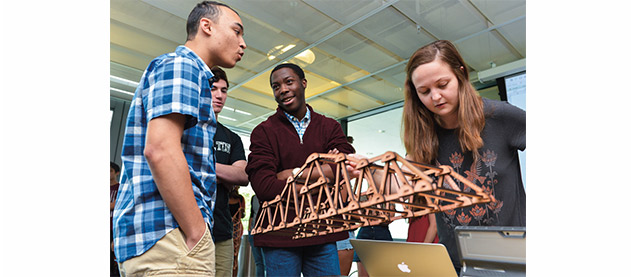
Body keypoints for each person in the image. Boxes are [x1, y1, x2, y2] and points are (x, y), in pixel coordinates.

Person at [112, 1, 246, 275]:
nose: (243, 43)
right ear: (206, 26)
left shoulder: (188, 72)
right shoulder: (183, 65)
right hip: (171, 235)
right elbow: (159, 149)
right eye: (237, 31)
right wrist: (197, 232)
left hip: (167, 236)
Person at [401, 40, 525, 273]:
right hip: (455, 263)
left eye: (442, 84)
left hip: (510, 260)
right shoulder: (423, 136)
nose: (435, 97)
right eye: (425, 92)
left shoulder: (501, 116)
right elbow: (398, 183)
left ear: (460, 74)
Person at [245, 62, 355, 277]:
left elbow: (347, 166)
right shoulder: (263, 132)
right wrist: (325, 174)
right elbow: (265, 187)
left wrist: (292, 174)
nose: (283, 89)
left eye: (289, 82)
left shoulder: (330, 126)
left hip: (323, 231)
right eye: (276, 86)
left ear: (303, 83)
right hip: (279, 235)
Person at [209, 66, 249, 277]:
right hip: (185, 227)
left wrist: (203, 166)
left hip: (222, 230)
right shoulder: (186, 127)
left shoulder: (232, 137)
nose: (219, 95)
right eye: (213, 88)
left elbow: (242, 176)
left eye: (223, 90)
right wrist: (226, 175)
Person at [229, 187, 246, 277]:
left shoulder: (240, 199)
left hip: (236, 231)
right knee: (231, 257)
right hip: (226, 229)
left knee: (235, 257)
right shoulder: (224, 197)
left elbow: (242, 215)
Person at [248, 195, 266, 277]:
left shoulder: (268, 195)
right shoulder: (254, 198)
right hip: (253, 233)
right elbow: (252, 214)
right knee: (259, 263)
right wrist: (249, 230)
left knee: (266, 262)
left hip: (265, 233)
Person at [110, 162, 121, 277]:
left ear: (116, 173)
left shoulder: (120, 187)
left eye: (110, 171)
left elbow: (115, 204)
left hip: (113, 226)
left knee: (114, 256)